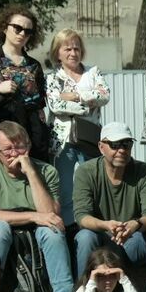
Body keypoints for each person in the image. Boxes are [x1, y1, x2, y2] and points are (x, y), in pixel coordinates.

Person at [0, 121, 76, 292]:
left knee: (52, 231)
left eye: (20, 147)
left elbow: (50, 214)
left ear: (29, 147)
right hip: (1, 229)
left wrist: (31, 172)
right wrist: (34, 216)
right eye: (8, 149)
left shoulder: (47, 171)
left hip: (38, 230)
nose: (15, 153)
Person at [73, 121, 146, 292]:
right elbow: (82, 216)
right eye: (114, 145)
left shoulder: (143, 170)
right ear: (101, 147)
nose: (121, 150)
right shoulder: (86, 172)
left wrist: (136, 224)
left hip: (132, 239)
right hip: (102, 241)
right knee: (84, 237)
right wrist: (106, 225)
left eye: (126, 144)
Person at [45, 28, 110, 227]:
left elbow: (104, 95)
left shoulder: (93, 71)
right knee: (63, 189)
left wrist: (76, 96)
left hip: (89, 137)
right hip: (62, 142)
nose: (73, 53)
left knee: (93, 185)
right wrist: (88, 102)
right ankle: (68, 228)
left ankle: (93, 226)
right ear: (57, 53)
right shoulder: (52, 78)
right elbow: (55, 105)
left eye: (76, 48)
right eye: (67, 49)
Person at [0, 4, 49, 160]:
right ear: (5, 28)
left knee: (34, 177)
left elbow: (40, 103)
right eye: (17, 28)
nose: (22, 34)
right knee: (3, 180)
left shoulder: (34, 65)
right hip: (2, 131)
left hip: (32, 134)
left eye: (28, 31)